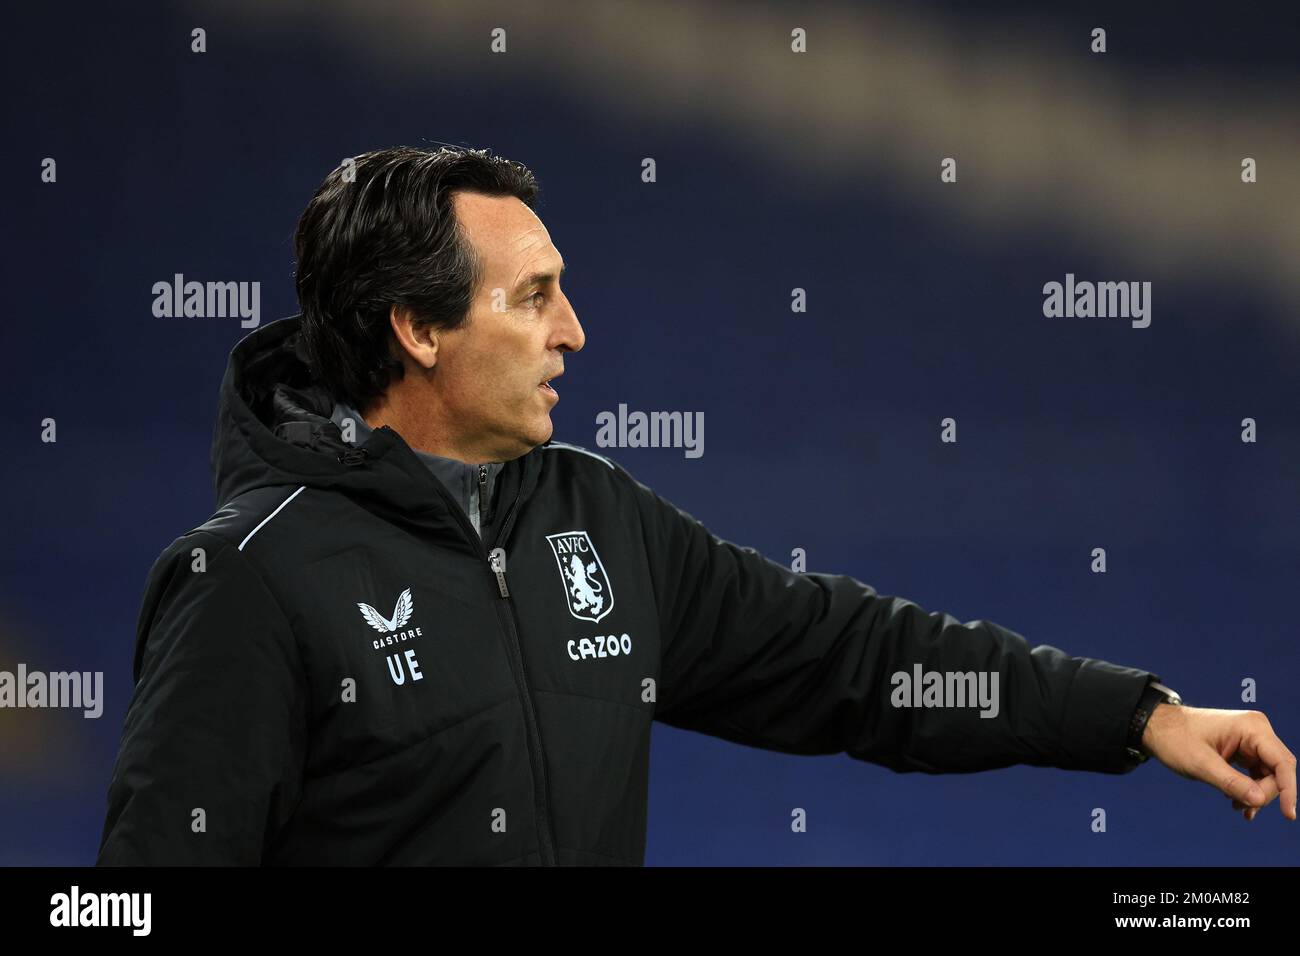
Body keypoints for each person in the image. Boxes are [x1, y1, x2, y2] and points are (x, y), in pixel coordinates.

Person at [96, 146, 1296, 866]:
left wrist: (1134, 716)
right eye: (534, 298)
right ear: (418, 327)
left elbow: (857, 659)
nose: (574, 331)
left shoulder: (594, 519)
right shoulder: (249, 576)